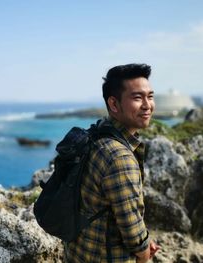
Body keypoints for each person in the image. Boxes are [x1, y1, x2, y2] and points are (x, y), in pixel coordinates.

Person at [64, 63, 160, 262]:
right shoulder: (119, 157)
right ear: (114, 105)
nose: (147, 105)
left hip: (79, 252)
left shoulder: (98, 133)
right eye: (137, 97)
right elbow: (132, 229)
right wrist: (143, 254)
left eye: (149, 96)